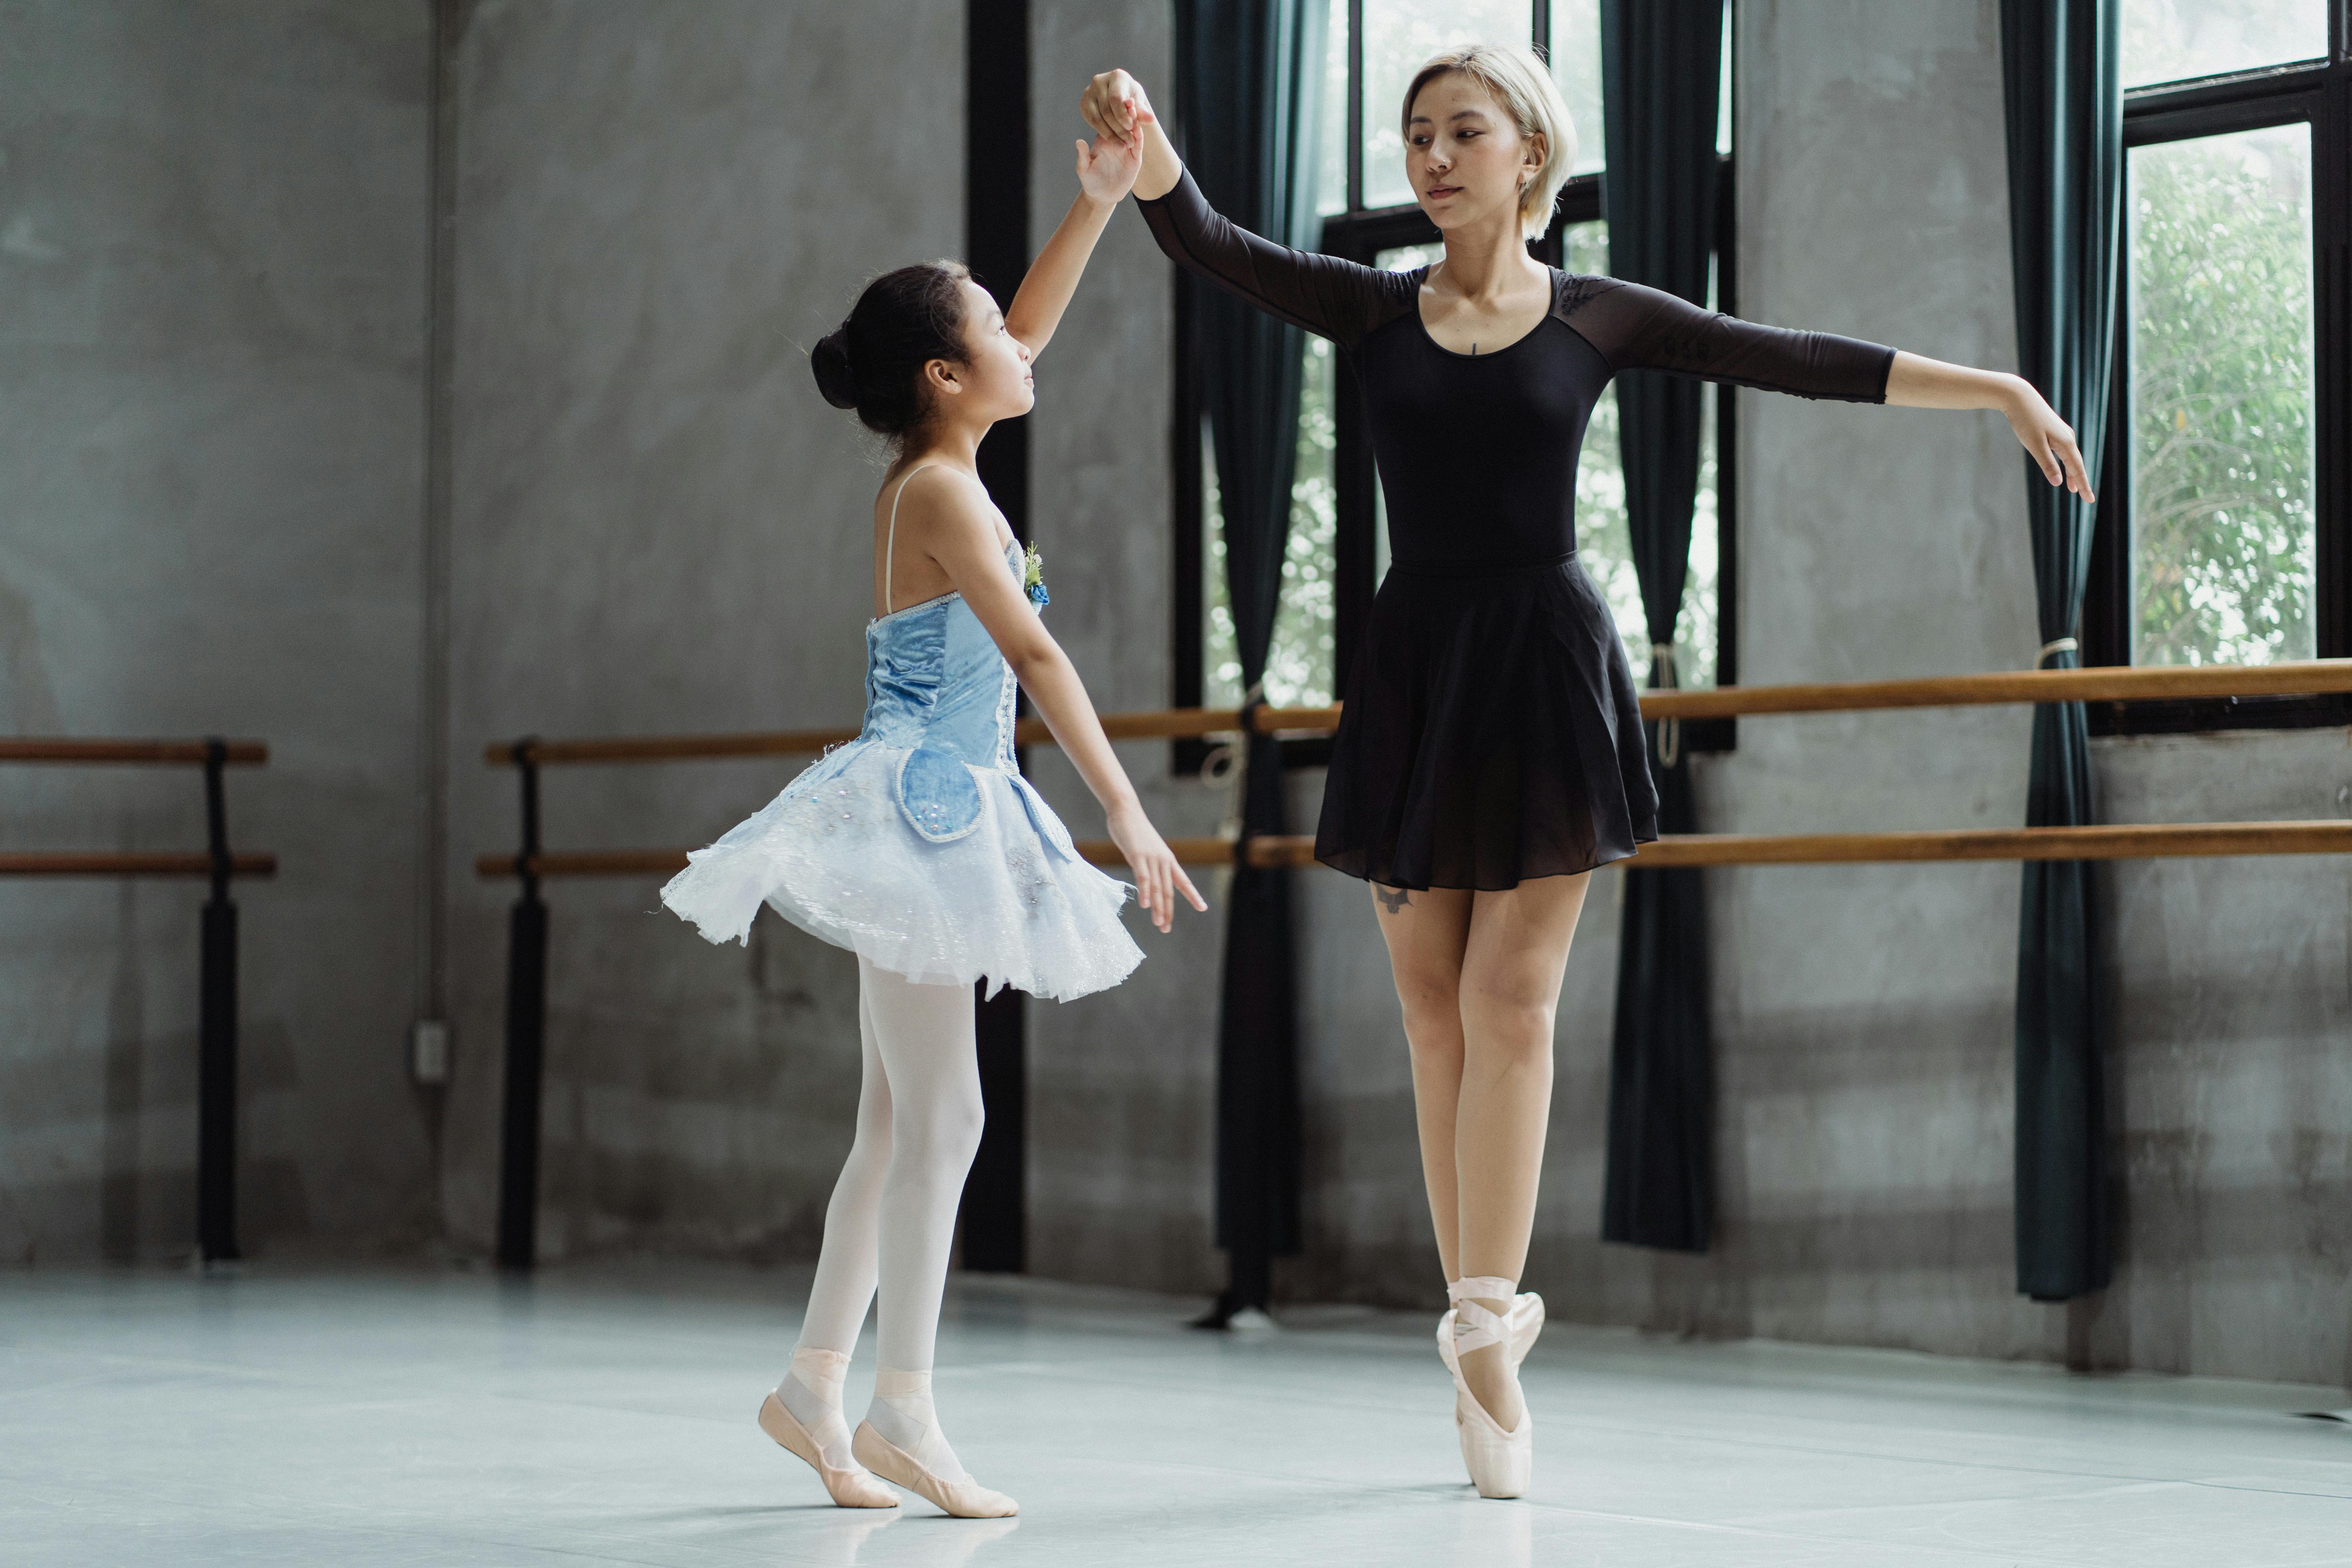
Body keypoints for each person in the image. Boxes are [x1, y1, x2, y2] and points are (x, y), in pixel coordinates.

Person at [1080, 44, 2090, 1500]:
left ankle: (1486, 1330)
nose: (1432, 157)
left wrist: (1989, 386)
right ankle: (1477, 1328)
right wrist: (1151, 149)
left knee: (1512, 997)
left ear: (1529, 153)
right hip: (1414, 669)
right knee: (1433, 1016)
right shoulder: (1373, 309)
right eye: (1417, 135)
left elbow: (1788, 356)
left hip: (1547, 674)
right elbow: (1208, 243)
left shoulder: (1599, 312)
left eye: (1462, 132)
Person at [659, 121, 1206, 1519]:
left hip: (942, 808)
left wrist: (1091, 209)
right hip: (921, 815)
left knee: (897, 1126)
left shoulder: (943, 450)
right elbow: (1037, 658)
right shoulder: (948, 490)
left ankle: (813, 1386)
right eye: (991, 337)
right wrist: (1128, 814)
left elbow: (1025, 328)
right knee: (942, 1119)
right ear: (945, 379)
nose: (1028, 349)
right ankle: (903, 1404)